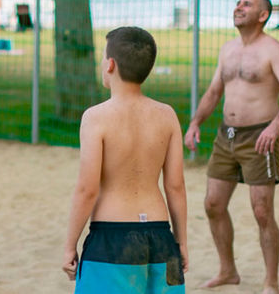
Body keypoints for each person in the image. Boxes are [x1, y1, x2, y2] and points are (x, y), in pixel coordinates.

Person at [189, 0, 279, 294]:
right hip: (225, 136)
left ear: (262, 15)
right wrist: (195, 123)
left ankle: (271, 283)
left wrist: (275, 127)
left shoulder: (273, 50)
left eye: (247, 4)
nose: (239, 7)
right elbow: (214, 92)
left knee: (262, 211)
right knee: (213, 205)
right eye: (239, 3)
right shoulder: (228, 49)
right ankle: (228, 272)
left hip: (259, 138)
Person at [62, 26, 187, 293]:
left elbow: (87, 189)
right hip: (162, 237)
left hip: (111, 238)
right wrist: (181, 242)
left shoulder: (95, 117)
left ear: (110, 65)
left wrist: (69, 245)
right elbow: (175, 186)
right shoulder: (167, 115)